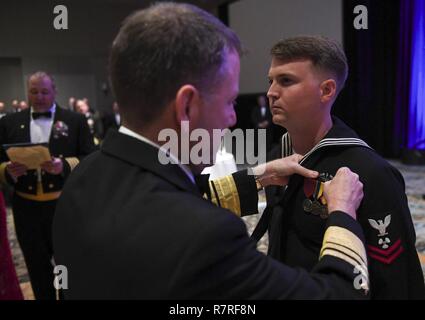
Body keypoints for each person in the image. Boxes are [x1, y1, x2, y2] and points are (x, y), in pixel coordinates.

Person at [53, 3, 369, 299]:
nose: (232, 119)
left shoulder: (85, 175)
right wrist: (342, 213)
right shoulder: (205, 236)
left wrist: (258, 176)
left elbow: (171, 195)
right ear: (187, 105)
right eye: (229, 102)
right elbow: (338, 294)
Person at [248, 36, 424, 299]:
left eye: (286, 81)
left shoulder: (368, 172)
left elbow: (395, 278)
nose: (272, 92)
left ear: (327, 91)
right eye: (270, 81)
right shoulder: (279, 157)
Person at [0, 71, 95, 300]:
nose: (39, 96)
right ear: (27, 92)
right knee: (36, 265)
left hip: (64, 207)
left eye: (44, 91)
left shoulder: (75, 120)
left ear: (54, 92)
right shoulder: (9, 123)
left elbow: (91, 158)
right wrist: (7, 170)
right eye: (34, 91)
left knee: (66, 265)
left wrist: (64, 165)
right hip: (27, 208)